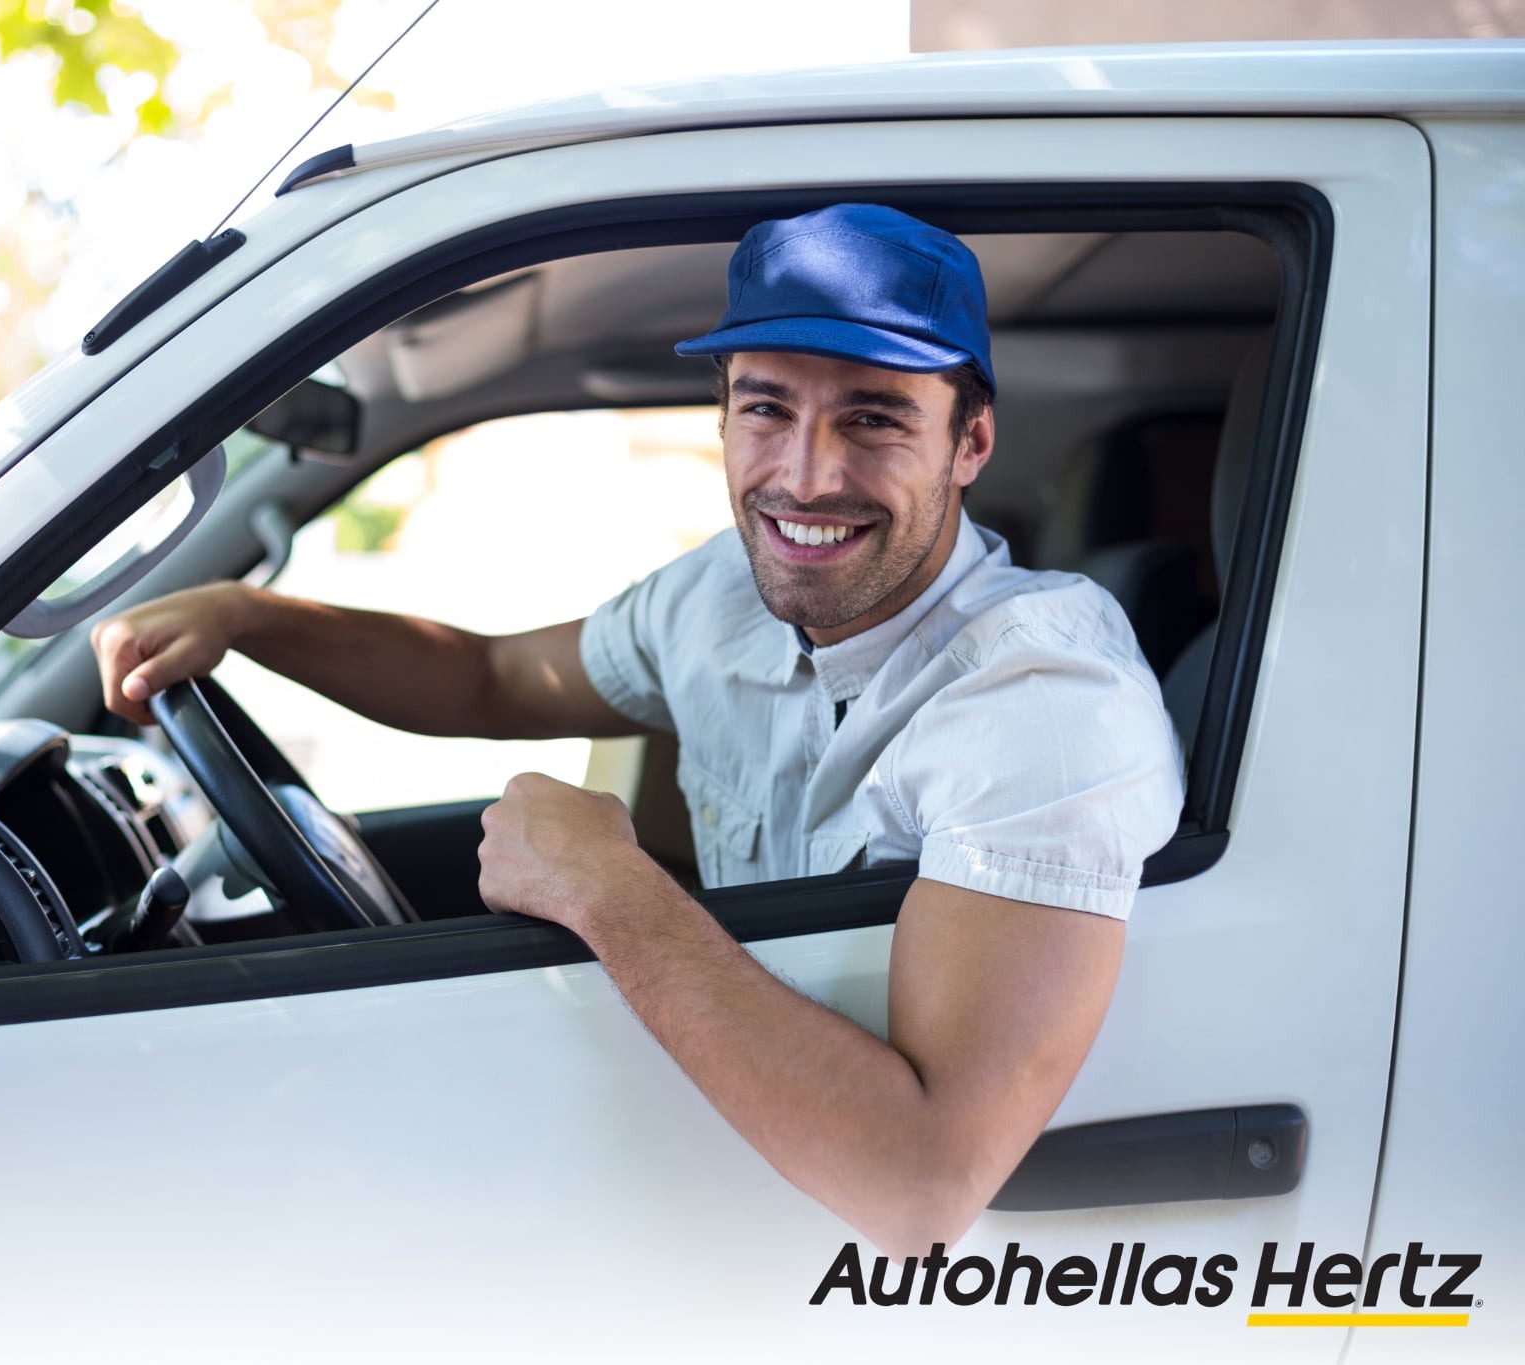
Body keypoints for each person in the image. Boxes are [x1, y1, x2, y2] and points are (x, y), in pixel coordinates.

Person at [89, 203, 1185, 1257]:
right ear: (722, 420)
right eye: (766, 409)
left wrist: (607, 889)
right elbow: (489, 679)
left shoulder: (1043, 697)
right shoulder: (722, 596)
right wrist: (248, 617)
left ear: (969, 441)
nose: (806, 475)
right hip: (712, 1183)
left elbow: (922, 1188)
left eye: (873, 418)